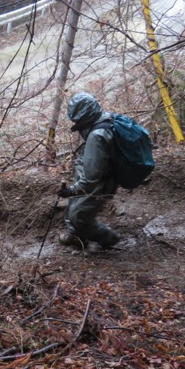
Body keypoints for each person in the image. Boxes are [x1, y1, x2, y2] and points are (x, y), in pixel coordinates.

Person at [56, 92, 120, 250]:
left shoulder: (97, 136)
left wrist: (71, 191)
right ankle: (75, 234)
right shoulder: (105, 118)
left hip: (102, 181)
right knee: (75, 204)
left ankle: (108, 237)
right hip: (95, 173)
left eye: (77, 119)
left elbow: (91, 180)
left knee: (78, 216)